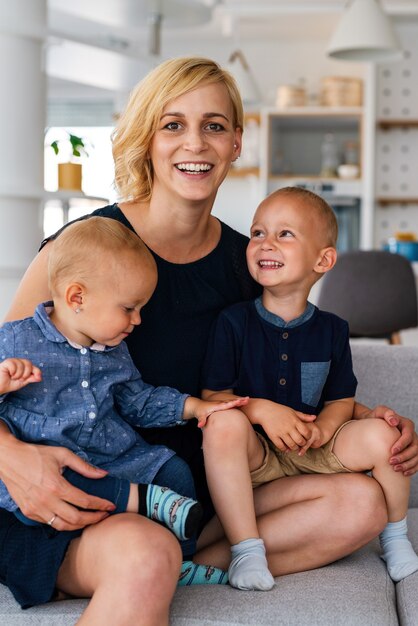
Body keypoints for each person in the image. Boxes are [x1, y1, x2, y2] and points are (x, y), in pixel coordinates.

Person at [2, 57, 418, 611]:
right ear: (147, 139)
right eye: (172, 125)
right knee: (146, 550)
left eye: (214, 126)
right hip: (80, 494)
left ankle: (198, 564)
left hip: (202, 502)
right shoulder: (82, 249)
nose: (194, 143)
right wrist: (9, 458)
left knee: (362, 505)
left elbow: (281, 382)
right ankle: (160, 558)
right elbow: (9, 364)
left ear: (236, 143)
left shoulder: (251, 263)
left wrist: (373, 418)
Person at [200, 187, 418, 590]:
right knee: (221, 425)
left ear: (323, 259)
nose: (265, 243)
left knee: (384, 434)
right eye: (258, 233)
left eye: (285, 234)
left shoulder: (333, 329)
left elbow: (340, 400)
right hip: (257, 457)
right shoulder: (233, 323)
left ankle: (395, 537)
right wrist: (262, 410)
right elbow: (213, 399)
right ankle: (247, 551)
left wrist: (323, 429)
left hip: (314, 450)